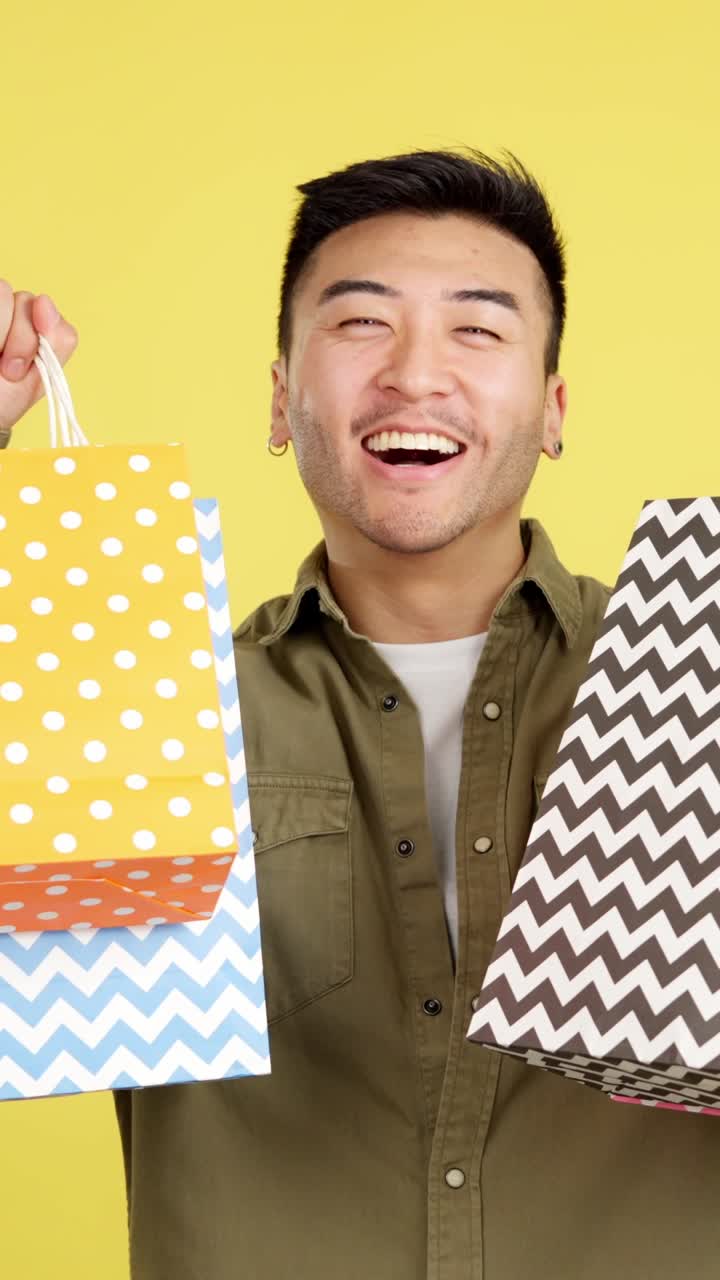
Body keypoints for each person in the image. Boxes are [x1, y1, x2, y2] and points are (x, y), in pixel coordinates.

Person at [1, 147, 718, 1280]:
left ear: (552, 409)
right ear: (282, 399)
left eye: (477, 330)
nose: (415, 374)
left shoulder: (700, 676)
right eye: (359, 324)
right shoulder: (140, 700)